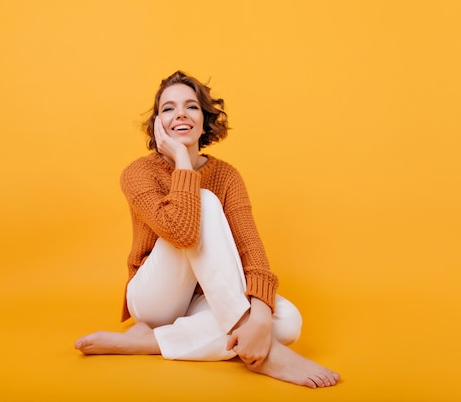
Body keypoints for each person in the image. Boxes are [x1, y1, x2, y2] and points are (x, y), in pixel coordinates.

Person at [75, 70, 340, 388]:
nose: (180, 114)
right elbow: (181, 233)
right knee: (203, 201)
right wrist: (184, 164)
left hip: (208, 298)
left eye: (192, 106)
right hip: (155, 297)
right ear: (158, 124)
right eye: (168, 108)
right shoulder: (138, 173)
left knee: (288, 321)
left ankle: (148, 343)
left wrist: (259, 314)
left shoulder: (227, 176)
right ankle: (262, 351)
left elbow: (250, 249)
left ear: (204, 119)